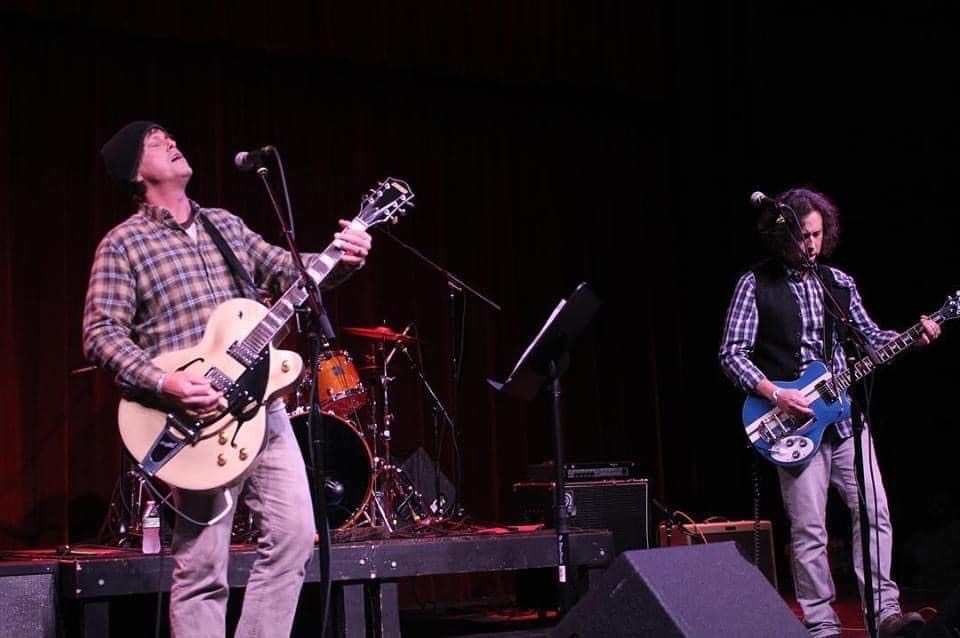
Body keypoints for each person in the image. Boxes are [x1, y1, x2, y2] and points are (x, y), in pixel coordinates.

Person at [83, 121, 372, 637]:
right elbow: (101, 334)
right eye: (156, 142)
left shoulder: (225, 225)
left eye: (171, 136)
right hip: (192, 420)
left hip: (262, 407)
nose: (172, 142)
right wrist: (167, 384)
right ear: (135, 171)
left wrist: (343, 258)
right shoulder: (123, 244)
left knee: (294, 537)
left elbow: (291, 271)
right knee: (202, 566)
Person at [718, 187, 940, 638]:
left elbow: (871, 338)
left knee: (875, 513)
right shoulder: (755, 284)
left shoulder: (838, 283)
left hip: (844, 420)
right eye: (803, 236)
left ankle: (885, 614)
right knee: (810, 530)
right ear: (782, 235)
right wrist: (775, 393)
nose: (811, 244)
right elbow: (731, 353)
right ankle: (821, 624)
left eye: (817, 235)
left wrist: (912, 337)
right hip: (792, 425)